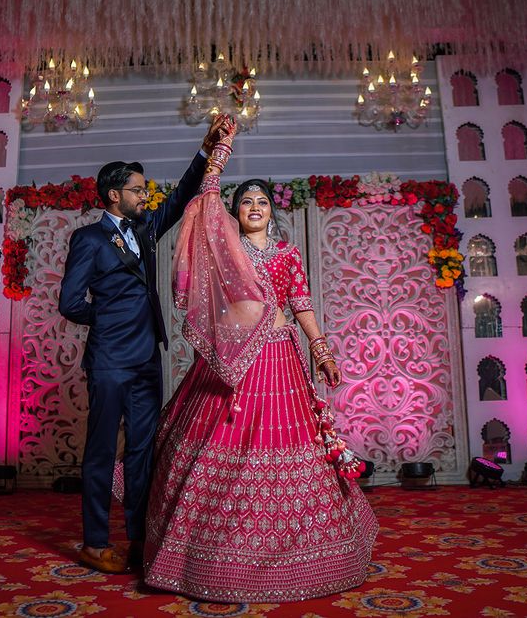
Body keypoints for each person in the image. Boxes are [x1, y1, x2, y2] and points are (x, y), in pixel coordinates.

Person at [142, 149, 378, 601]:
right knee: (219, 442)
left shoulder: (287, 256)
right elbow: (206, 208)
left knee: (290, 447)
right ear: (236, 212)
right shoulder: (226, 253)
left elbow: (302, 304)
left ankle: (305, 557)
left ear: (272, 212)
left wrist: (320, 347)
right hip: (234, 363)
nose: (254, 206)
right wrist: (216, 160)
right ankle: (208, 559)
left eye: (263, 202)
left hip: (279, 360)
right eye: (246, 201)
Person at [58, 114, 235, 574]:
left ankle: (139, 539)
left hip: (146, 361)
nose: (145, 195)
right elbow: (70, 301)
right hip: (109, 361)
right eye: (138, 189)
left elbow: (179, 197)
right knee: (100, 451)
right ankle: (94, 542)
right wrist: (111, 316)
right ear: (115, 194)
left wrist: (204, 150)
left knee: (142, 451)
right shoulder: (89, 239)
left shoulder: (145, 229)